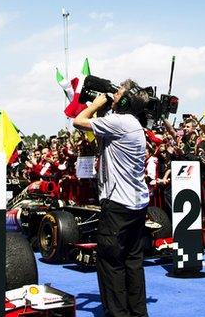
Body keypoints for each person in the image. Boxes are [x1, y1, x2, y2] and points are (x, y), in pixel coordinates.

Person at [73, 79, 150, 317]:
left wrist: (95, 104)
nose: (113, 95)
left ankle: (117, 313)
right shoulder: (133, 123)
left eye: (117, 93)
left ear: (126, 100)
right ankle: (137, 312)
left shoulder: (119, 121)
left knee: (110, 262)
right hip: (136, 204)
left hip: (118, 204)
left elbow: (78, 121)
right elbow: (102, 144)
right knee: (132, 261)